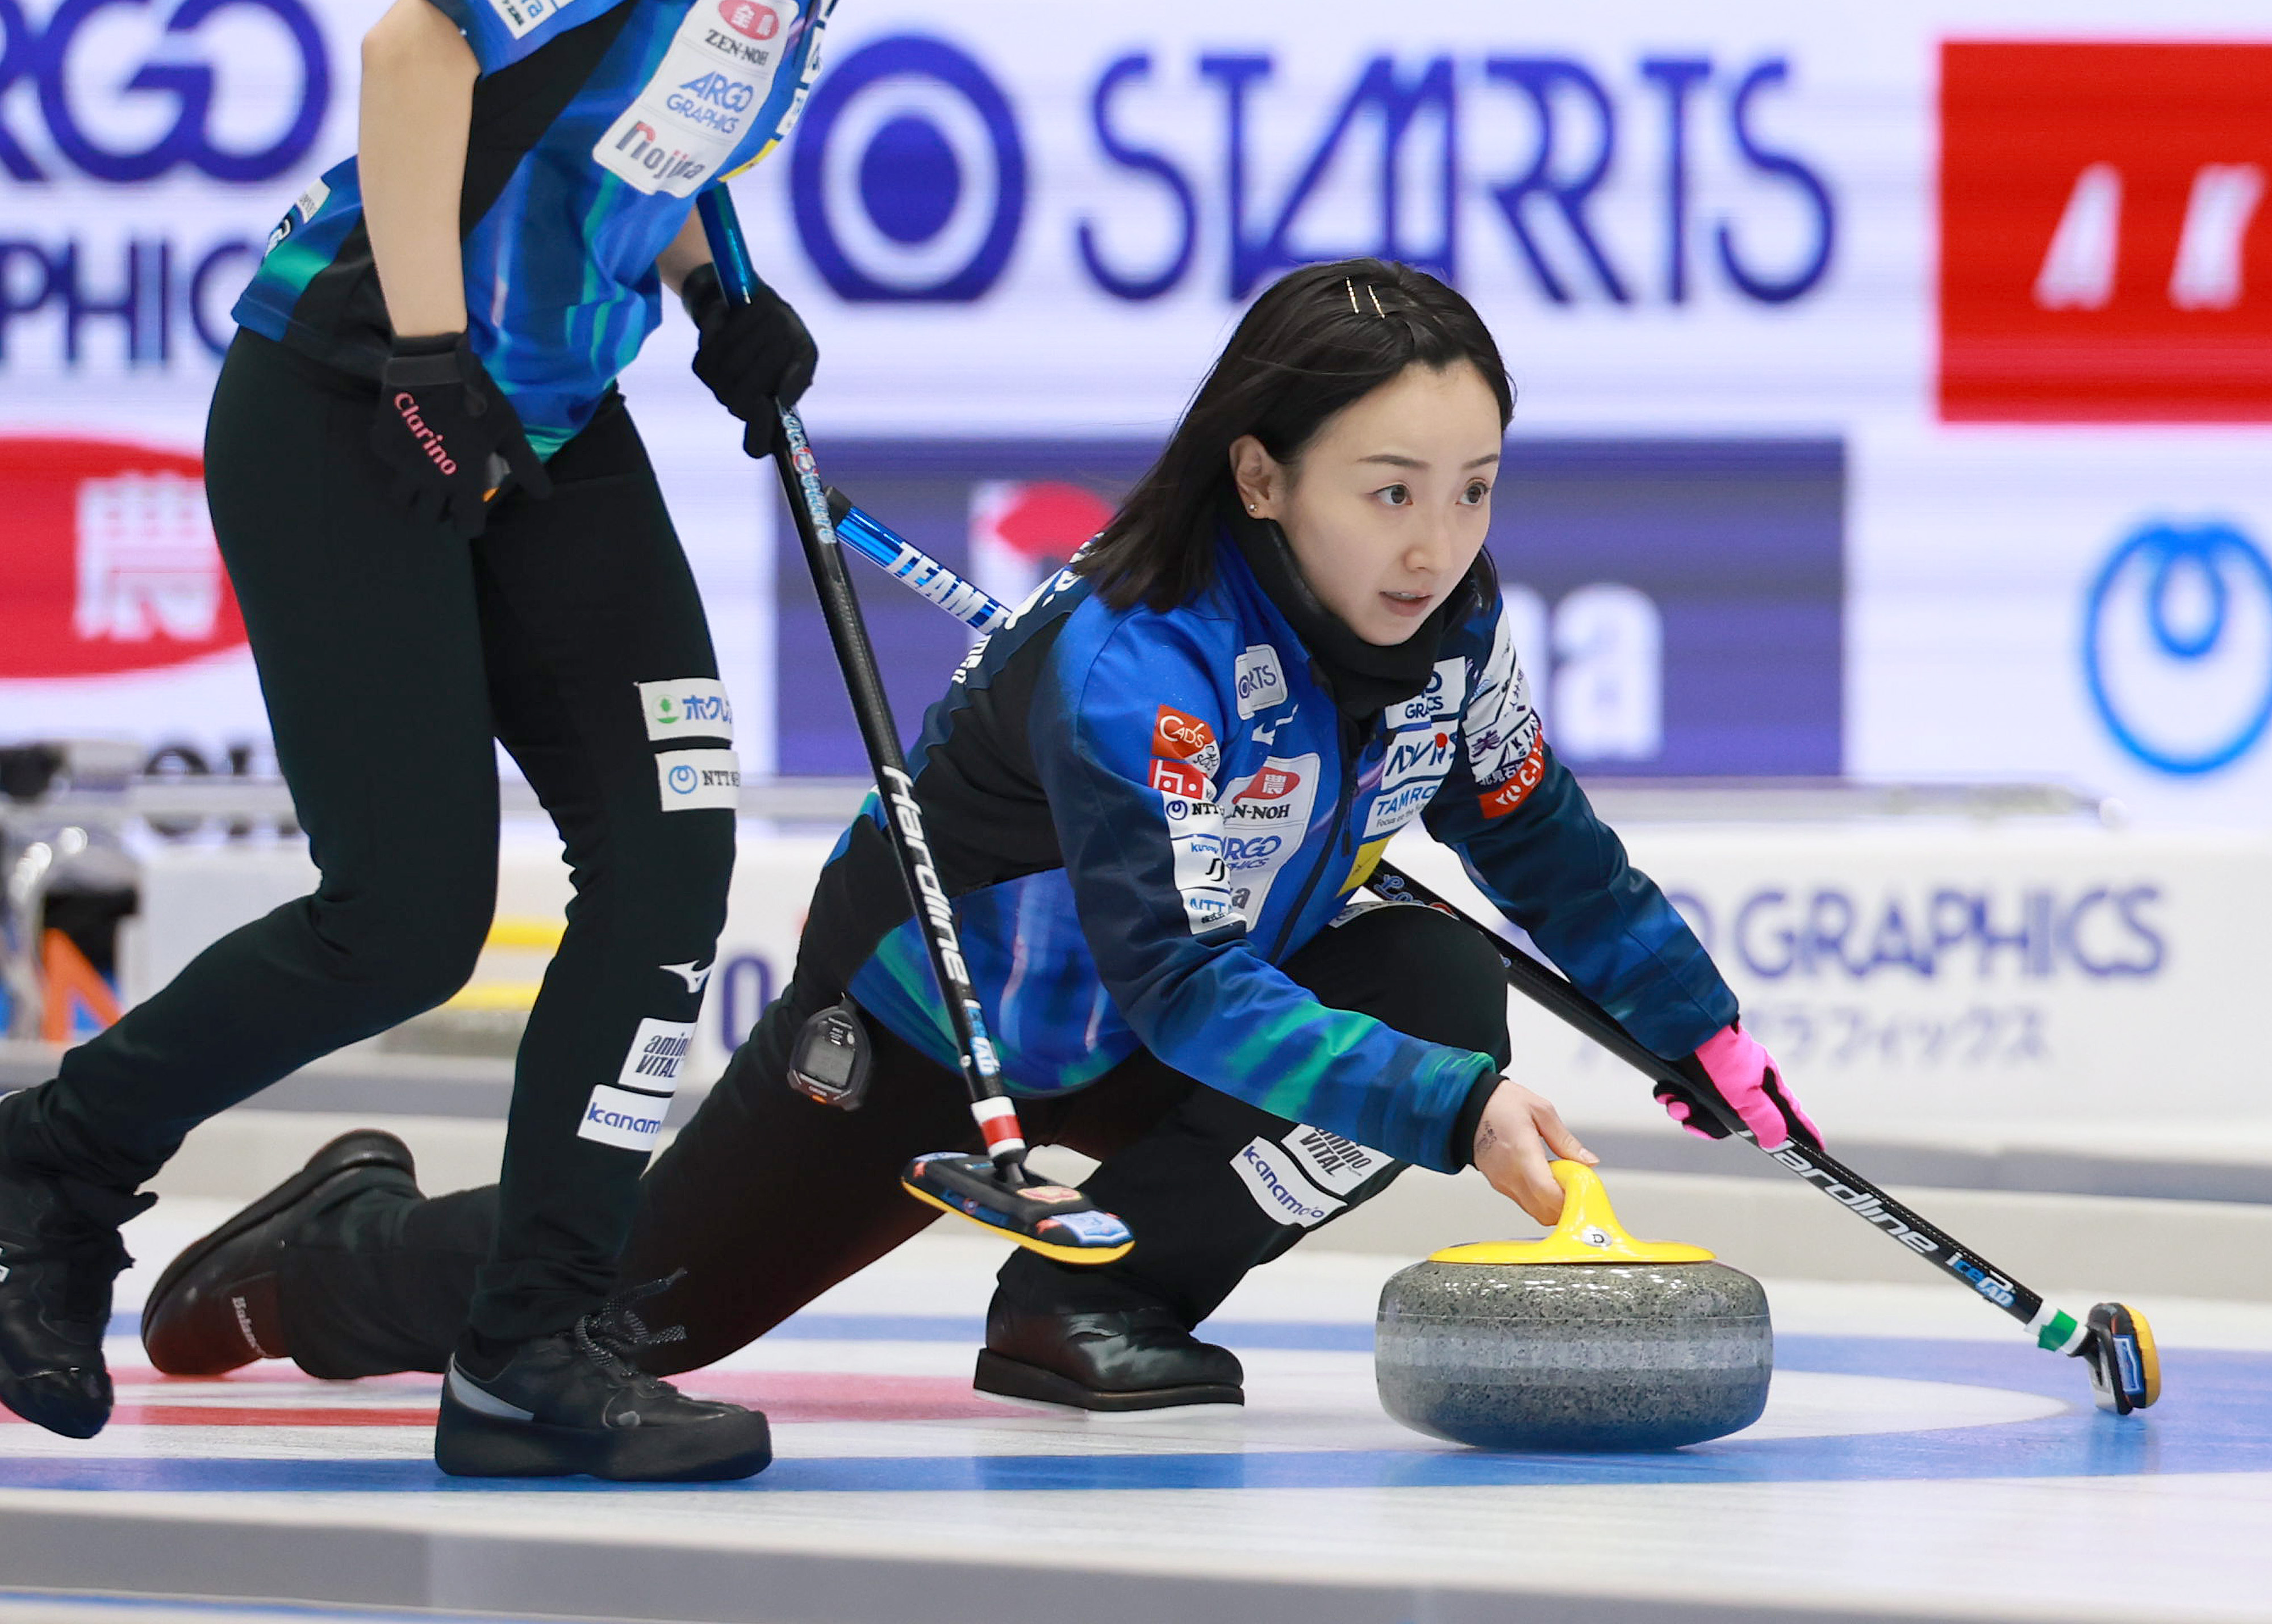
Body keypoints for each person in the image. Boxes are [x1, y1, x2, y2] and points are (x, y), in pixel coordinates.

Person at [140, 257, 1819, 1425]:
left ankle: (1093, 1303)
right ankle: (336, 1250)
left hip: (1165, 1025)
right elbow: (1179, 982)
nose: (1438, 542)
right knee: (641, 1315)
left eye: (1476, 488)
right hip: (931, 1031)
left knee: (1443, 980)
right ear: (1260, 473)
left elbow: (1554, 859)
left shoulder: (1449, 636)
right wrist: (1451, 1109)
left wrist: (1702, 1031)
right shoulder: (1137, 661)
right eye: (1390, 489)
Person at [0, 0, 840, 1480]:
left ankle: (529, 1347)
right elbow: (411, 56)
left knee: (673, 846)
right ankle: (48, 1167)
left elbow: (641, 131)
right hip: (355, 392)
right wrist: (430, 346)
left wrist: (720, 289)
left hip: (551, 418)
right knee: (406, 918)